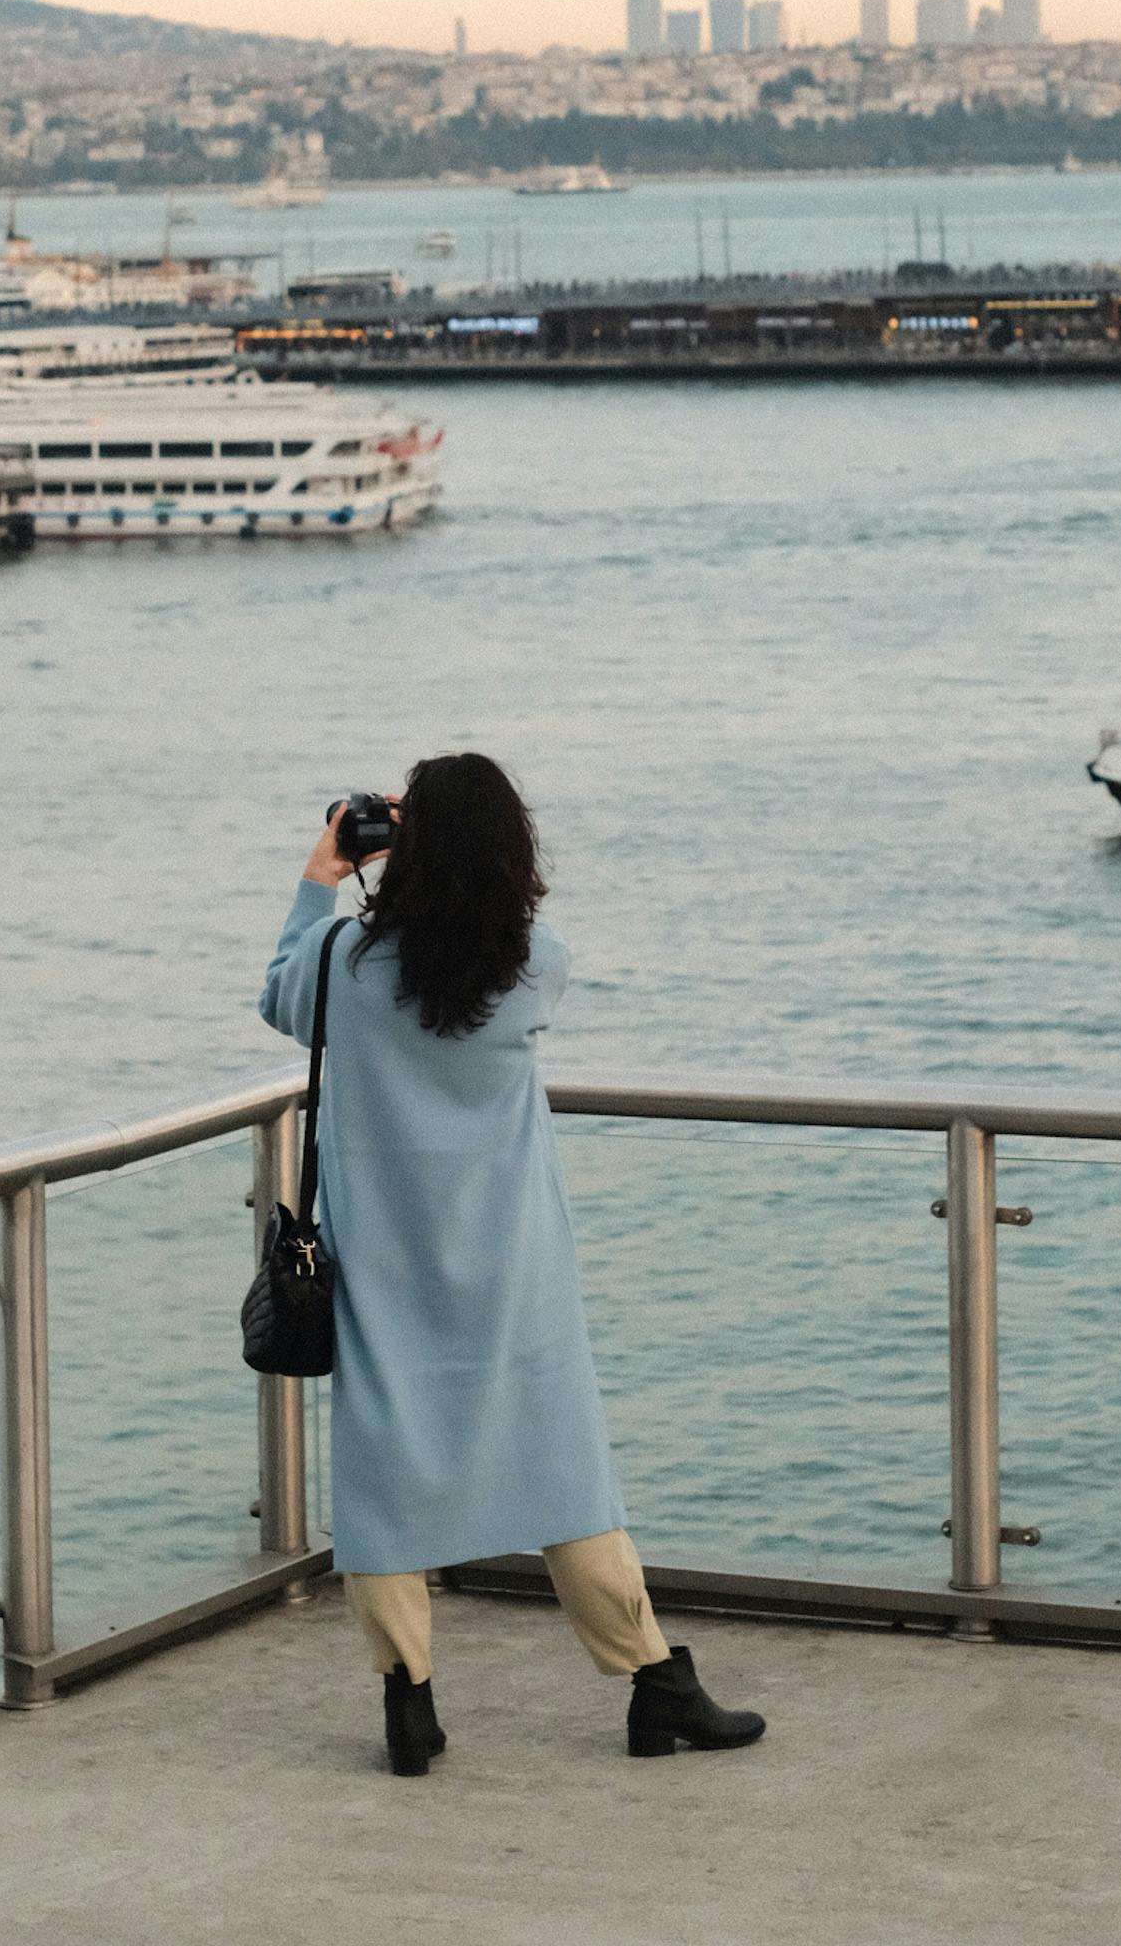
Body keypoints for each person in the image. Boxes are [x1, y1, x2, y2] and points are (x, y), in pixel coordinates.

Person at [259, 750, 766, 1776]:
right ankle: (652, 1683)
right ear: (508, 848)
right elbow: (475, 975)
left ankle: (409, 1705)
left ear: (406, 843)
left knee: (384, 1478)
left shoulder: (340, 969)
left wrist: (324, 870)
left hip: (385, 1260)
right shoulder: (539, 961)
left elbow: (280, 998)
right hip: (515, 1259)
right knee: (566, 1472)